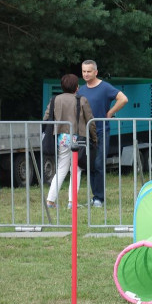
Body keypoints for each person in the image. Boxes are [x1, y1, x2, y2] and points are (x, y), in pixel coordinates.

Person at [77, 60, 129, 207]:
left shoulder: (105, 87)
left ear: (96, 72)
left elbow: (123, 99)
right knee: (90, 165)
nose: (86, 74)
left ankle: (99, 198)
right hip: (86, 133)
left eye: (89, 71)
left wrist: (110, 113)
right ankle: (95, 197)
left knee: (99, 164)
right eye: (84, 71)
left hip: (101, 132)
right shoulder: (81, 90)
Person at [44, 74, 98, 210]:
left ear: (62, 86)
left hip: (61, 137)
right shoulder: (82, 100)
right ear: (77, 87)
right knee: (77, 169)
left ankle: (50, 201)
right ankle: (71, 202)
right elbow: (90, 121)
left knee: (61, 168)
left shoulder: (55, 99)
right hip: (78, 138)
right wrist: (94, 138)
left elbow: (46, 118)